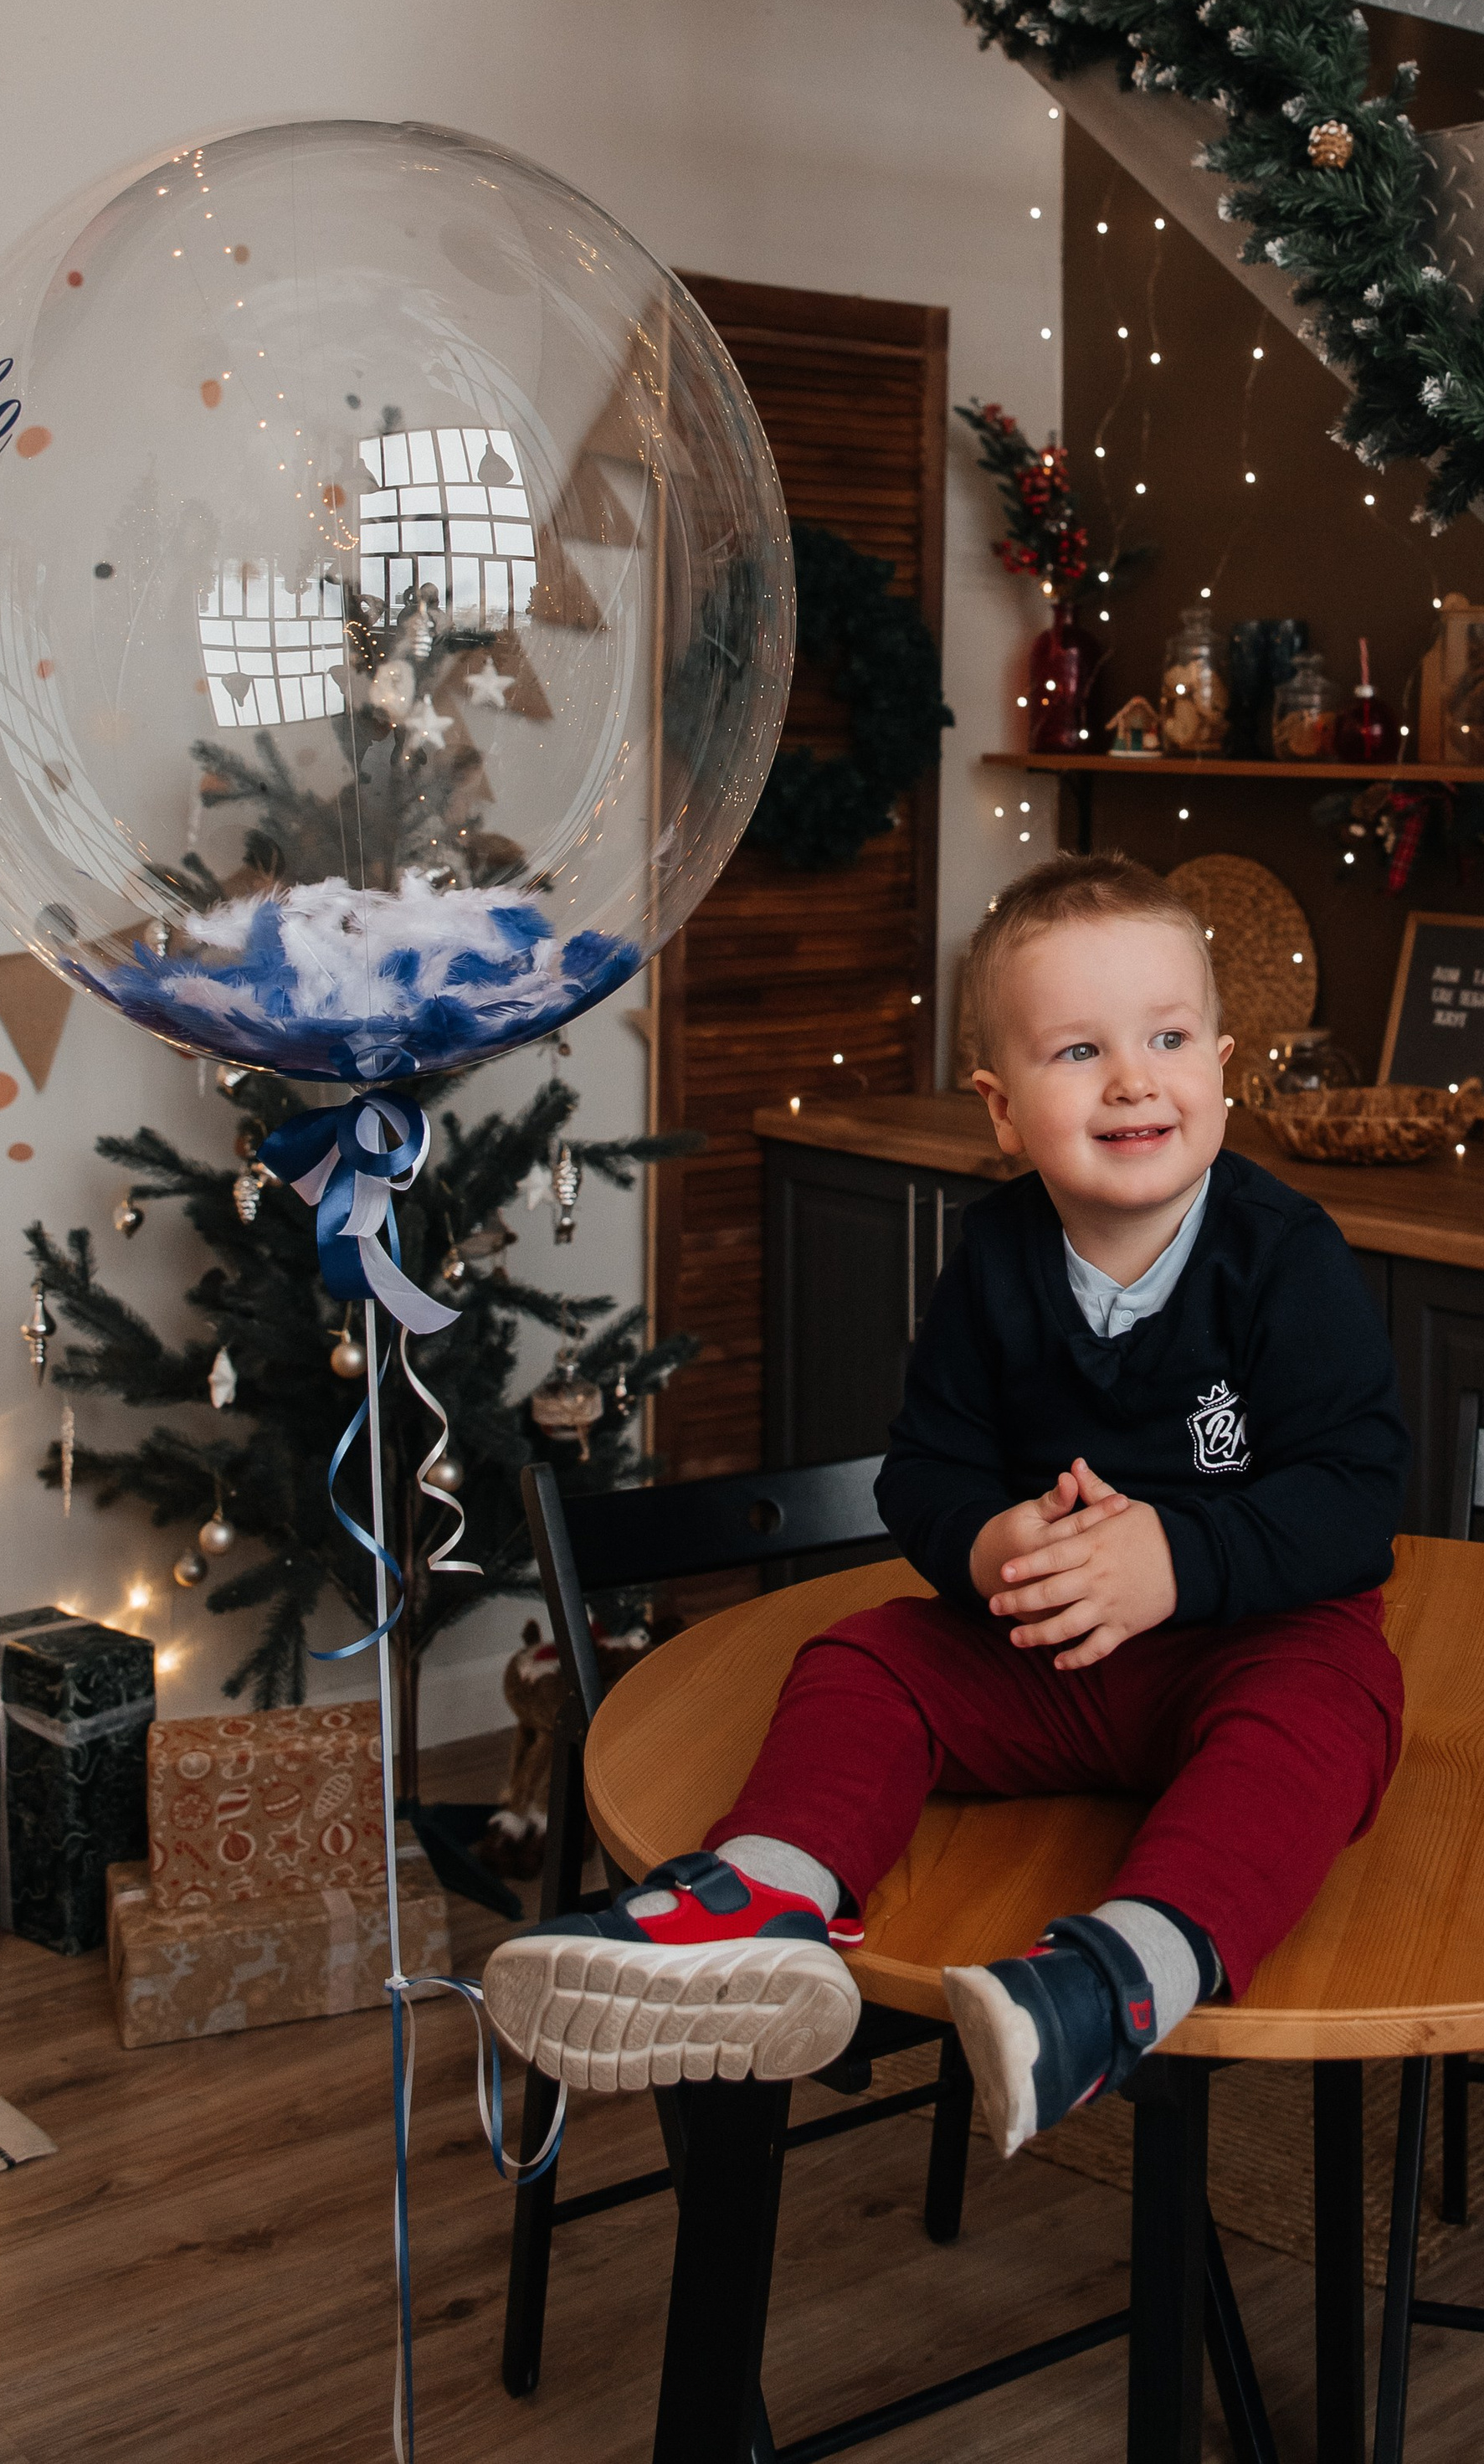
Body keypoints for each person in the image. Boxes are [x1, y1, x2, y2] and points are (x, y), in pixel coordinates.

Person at [484, 851, 1409, 2156]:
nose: (1136, 1079)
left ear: (1223, 1062)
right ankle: (765, 1900)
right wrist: (988, 1541)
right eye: (1080, 1050)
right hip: (1042, 1658)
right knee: (867, 1657)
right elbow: (922, 1469)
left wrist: (1176, 1560)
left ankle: (1108, 1980)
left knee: (1334, 1709)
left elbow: (1356, 1501)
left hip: (1247, 1643)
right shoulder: (994, 1261)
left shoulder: (1285, 1258)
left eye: (1168, 1037)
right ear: (1001, 1107)